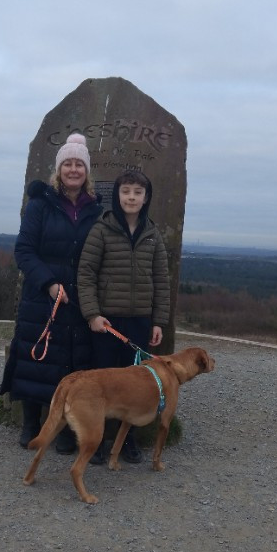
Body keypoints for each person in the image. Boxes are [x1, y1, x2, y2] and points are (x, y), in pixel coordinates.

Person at [0, 134, 103, 452]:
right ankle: (32, 423)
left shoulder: (96, 209)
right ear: (58, 170)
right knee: (36, 359)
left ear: (86, 171)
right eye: (67, 164)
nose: (73, 169)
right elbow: (24, 250)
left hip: (79, 298)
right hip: (42, 296)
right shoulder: (40, 205)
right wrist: (49, 283)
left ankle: (67, 427)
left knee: (73, 360)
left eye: (79, 164)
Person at [77, 170, 170, 465]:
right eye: (126, 191)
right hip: (106, 323)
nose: (131, 197)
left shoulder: (152, 234)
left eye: (137, 192)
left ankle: (127, 441)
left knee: (136, 386)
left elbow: (162, 279)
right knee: (102, 384)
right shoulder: (102, 229)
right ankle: (96, 441)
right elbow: (86, 273)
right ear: (117, 195)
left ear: (146, 197)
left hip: (140, 321)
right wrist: (92, 314)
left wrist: (158, 321)